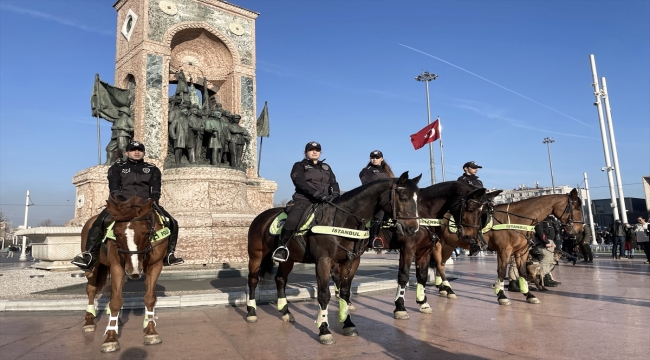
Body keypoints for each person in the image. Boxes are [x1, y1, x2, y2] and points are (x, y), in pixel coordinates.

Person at [72, 141, 184, 270]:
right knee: (99, 222)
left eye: (139, 150)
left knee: (172, 222)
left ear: (143, 153)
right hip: (122, 205)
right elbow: (114, 188)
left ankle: (169, 254)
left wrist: (152, 199)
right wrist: (123, 201)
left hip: (145, 205)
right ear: (127, 153)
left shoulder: (153, 169)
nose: (136, 152)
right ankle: (89, 254)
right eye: (133, 150)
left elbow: (156, 189)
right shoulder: (116, 168)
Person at [272, 141, 340, 262]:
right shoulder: (299, 165)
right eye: (311, 149)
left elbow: (333, 182)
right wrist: (317, 194)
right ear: (305, 152)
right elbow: (300, 182)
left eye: (317, 150)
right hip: (304, 200)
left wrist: (335, 193)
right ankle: (281, 247)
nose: (315, 152)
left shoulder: (326, 167)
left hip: (326, 200)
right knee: (292, 220)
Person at [359, 150, 394, 248]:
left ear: (381, 159)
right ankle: (373, 238)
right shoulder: (366, 171)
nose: (374, 159)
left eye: (377, 157)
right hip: (373, 199)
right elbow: (368, 185)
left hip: (387, 198)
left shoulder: (387, 172)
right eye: (372, 157)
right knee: (380, 212)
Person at [456, 161, 487, 254]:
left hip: (480, 205)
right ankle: (472, 239)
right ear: (466, 168)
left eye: (477, 168)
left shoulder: (478, 181)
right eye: (473, 167)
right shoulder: (462, 180)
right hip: (469, 206)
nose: (476, 169)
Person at [534, 216, 562, 287]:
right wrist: (545, 241)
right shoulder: (541, 218)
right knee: (545, 260)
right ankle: (543, 278)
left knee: (550, 260)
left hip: (550, 241)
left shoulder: (549, 219)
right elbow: (539, 230)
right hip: (544, 242)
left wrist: (553, 242)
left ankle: (547, 277)